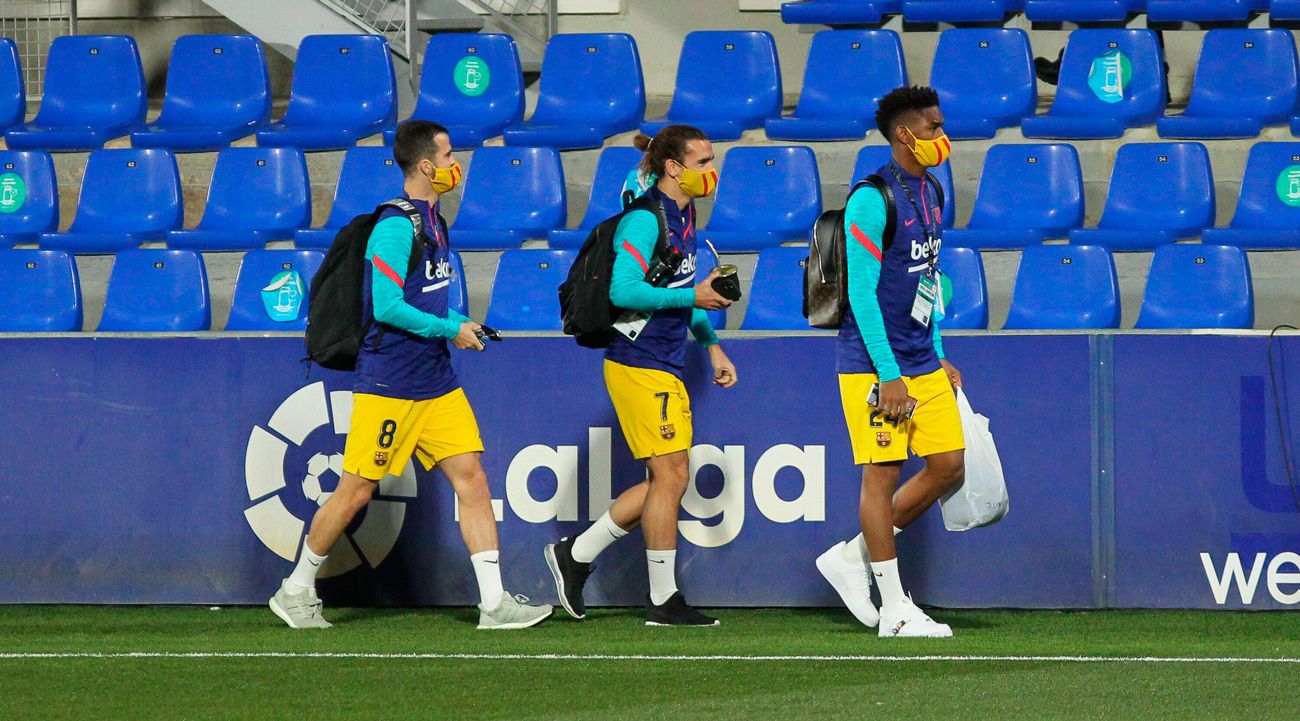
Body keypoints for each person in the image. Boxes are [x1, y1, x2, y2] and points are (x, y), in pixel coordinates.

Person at [269, 120, 552, 631]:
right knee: (354, 490)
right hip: (390, 382)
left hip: (435, 381)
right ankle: (294, 589)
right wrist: (452, 327)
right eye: (448, 156)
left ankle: (493, 604)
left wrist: (454, 326)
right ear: (426, 165)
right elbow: (387, 306)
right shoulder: (397, 226)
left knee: (472, 478)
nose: (454, 164)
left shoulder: (434, 220)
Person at [544, 124, 737, 627]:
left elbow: (680, 285)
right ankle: (662, 598)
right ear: (674, 168)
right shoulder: (644, 221)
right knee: (672, 476)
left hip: (664, 362)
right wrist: (693, 298)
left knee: (663, 479)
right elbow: (625, 292)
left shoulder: (683, 215)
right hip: (638, 363)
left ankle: (576, 555)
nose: (711, 173)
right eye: (702, 164)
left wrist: (711, 345)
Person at [814, 86, 965, 638]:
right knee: (882, 476)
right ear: (905, 134)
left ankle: (852, 558)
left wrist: (940, 354)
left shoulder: (932, 190)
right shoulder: (871, 199)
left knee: (949, 466)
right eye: (933, 128)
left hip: (922, 359)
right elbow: (862, 293)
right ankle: (896, 608)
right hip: (874, 367)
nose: (942, 137)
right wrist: (889, 373)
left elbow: (929, 280)